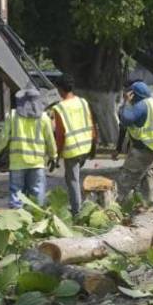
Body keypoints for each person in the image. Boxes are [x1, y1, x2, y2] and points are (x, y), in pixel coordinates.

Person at [0, 85, 56, 208]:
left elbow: (3, 137)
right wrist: (53, 156)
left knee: (16, 195)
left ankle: (17, 223)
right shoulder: (43, 118)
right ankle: (36, 222)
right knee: (37, 196)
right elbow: (50, 140)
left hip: (17, 163)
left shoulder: (13, 115)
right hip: (36, 163)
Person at [114, 80, 153, 205]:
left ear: (133, 94)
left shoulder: (141, 105)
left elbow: (126, 119)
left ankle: (118, 208)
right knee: (150, 179)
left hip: (144, 149)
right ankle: (149, 207)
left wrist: (126, 102)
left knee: (125, 180)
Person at [49, 75, 96, 215]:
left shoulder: (59, 108)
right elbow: (92, 123)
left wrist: (56, 154)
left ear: (60, 89)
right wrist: (94, 145)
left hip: (72, 150)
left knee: (72, 180)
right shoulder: (82, 102)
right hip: (85, 146)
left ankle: (77, 212)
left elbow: (60, 134)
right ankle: (82, 205)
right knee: (76, 177)